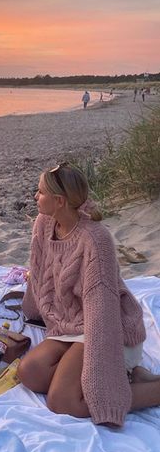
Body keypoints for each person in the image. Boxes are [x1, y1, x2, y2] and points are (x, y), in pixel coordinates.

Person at [17, 163, 160, 428]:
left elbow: (102, 312)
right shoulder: (44, 223)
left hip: (106, 329)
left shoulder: (95, 239)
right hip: (70, 326)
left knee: (63, 402)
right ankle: (131, 375)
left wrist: (101, 380)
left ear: (59, 201)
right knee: (29, 372)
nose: (36, 197)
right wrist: (31, 309)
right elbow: (38, 272)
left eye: (40, 192)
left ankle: (150, 388)